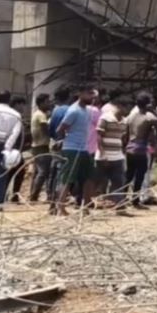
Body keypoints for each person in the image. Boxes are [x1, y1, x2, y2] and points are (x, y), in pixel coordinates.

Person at [53, 87, 97, 216]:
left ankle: (86, 207)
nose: (92, 98)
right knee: (67, 178)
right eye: (89, 94)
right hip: (72, 148)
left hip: (84, 149)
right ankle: (60, 208)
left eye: (93, 96)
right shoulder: (73, 110)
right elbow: (60, 129)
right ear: (80, 93)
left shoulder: (88, 110)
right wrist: (61, 140)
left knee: (89, 177)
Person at [94, 93, 130, 212]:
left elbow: (122, 138)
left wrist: (123, 152)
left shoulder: (125, 121)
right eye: (126, 107)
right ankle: (89, 201)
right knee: (99, 181)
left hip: (117, 155)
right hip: (104, 156)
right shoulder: (105, 118)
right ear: (119, 106)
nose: (127, 110)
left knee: (118, 181)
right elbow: (98, 136)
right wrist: (103, 153)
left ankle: (118, 204)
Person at [124, 93, 157, 209]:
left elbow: (126, 133)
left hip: (129, 148)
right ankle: (135, 200)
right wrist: (153, 111)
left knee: (129, 175)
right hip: (141, 150)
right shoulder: (148, 117)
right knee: (139, 176)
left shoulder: (131, 116)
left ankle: (123, 199)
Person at [45, 86, 73, 203]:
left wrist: (56, 139)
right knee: (64, 173)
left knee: (54, 171)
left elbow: (50, 131)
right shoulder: (71, 110)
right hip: (68, 145)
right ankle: (60, 198)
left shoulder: (55, 112)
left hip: (56, 145)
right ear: (69, 97)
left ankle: (51, 196)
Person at [29, 93, 54, 202]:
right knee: (44, 172)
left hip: (36, 146)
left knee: (37, 172)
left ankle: (33, 194)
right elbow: (46, 129)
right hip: (41, 146)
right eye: (47, 102)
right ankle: (34, 196)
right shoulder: (40, 115)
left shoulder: (38, 114)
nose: (49, 103)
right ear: (42, 103)